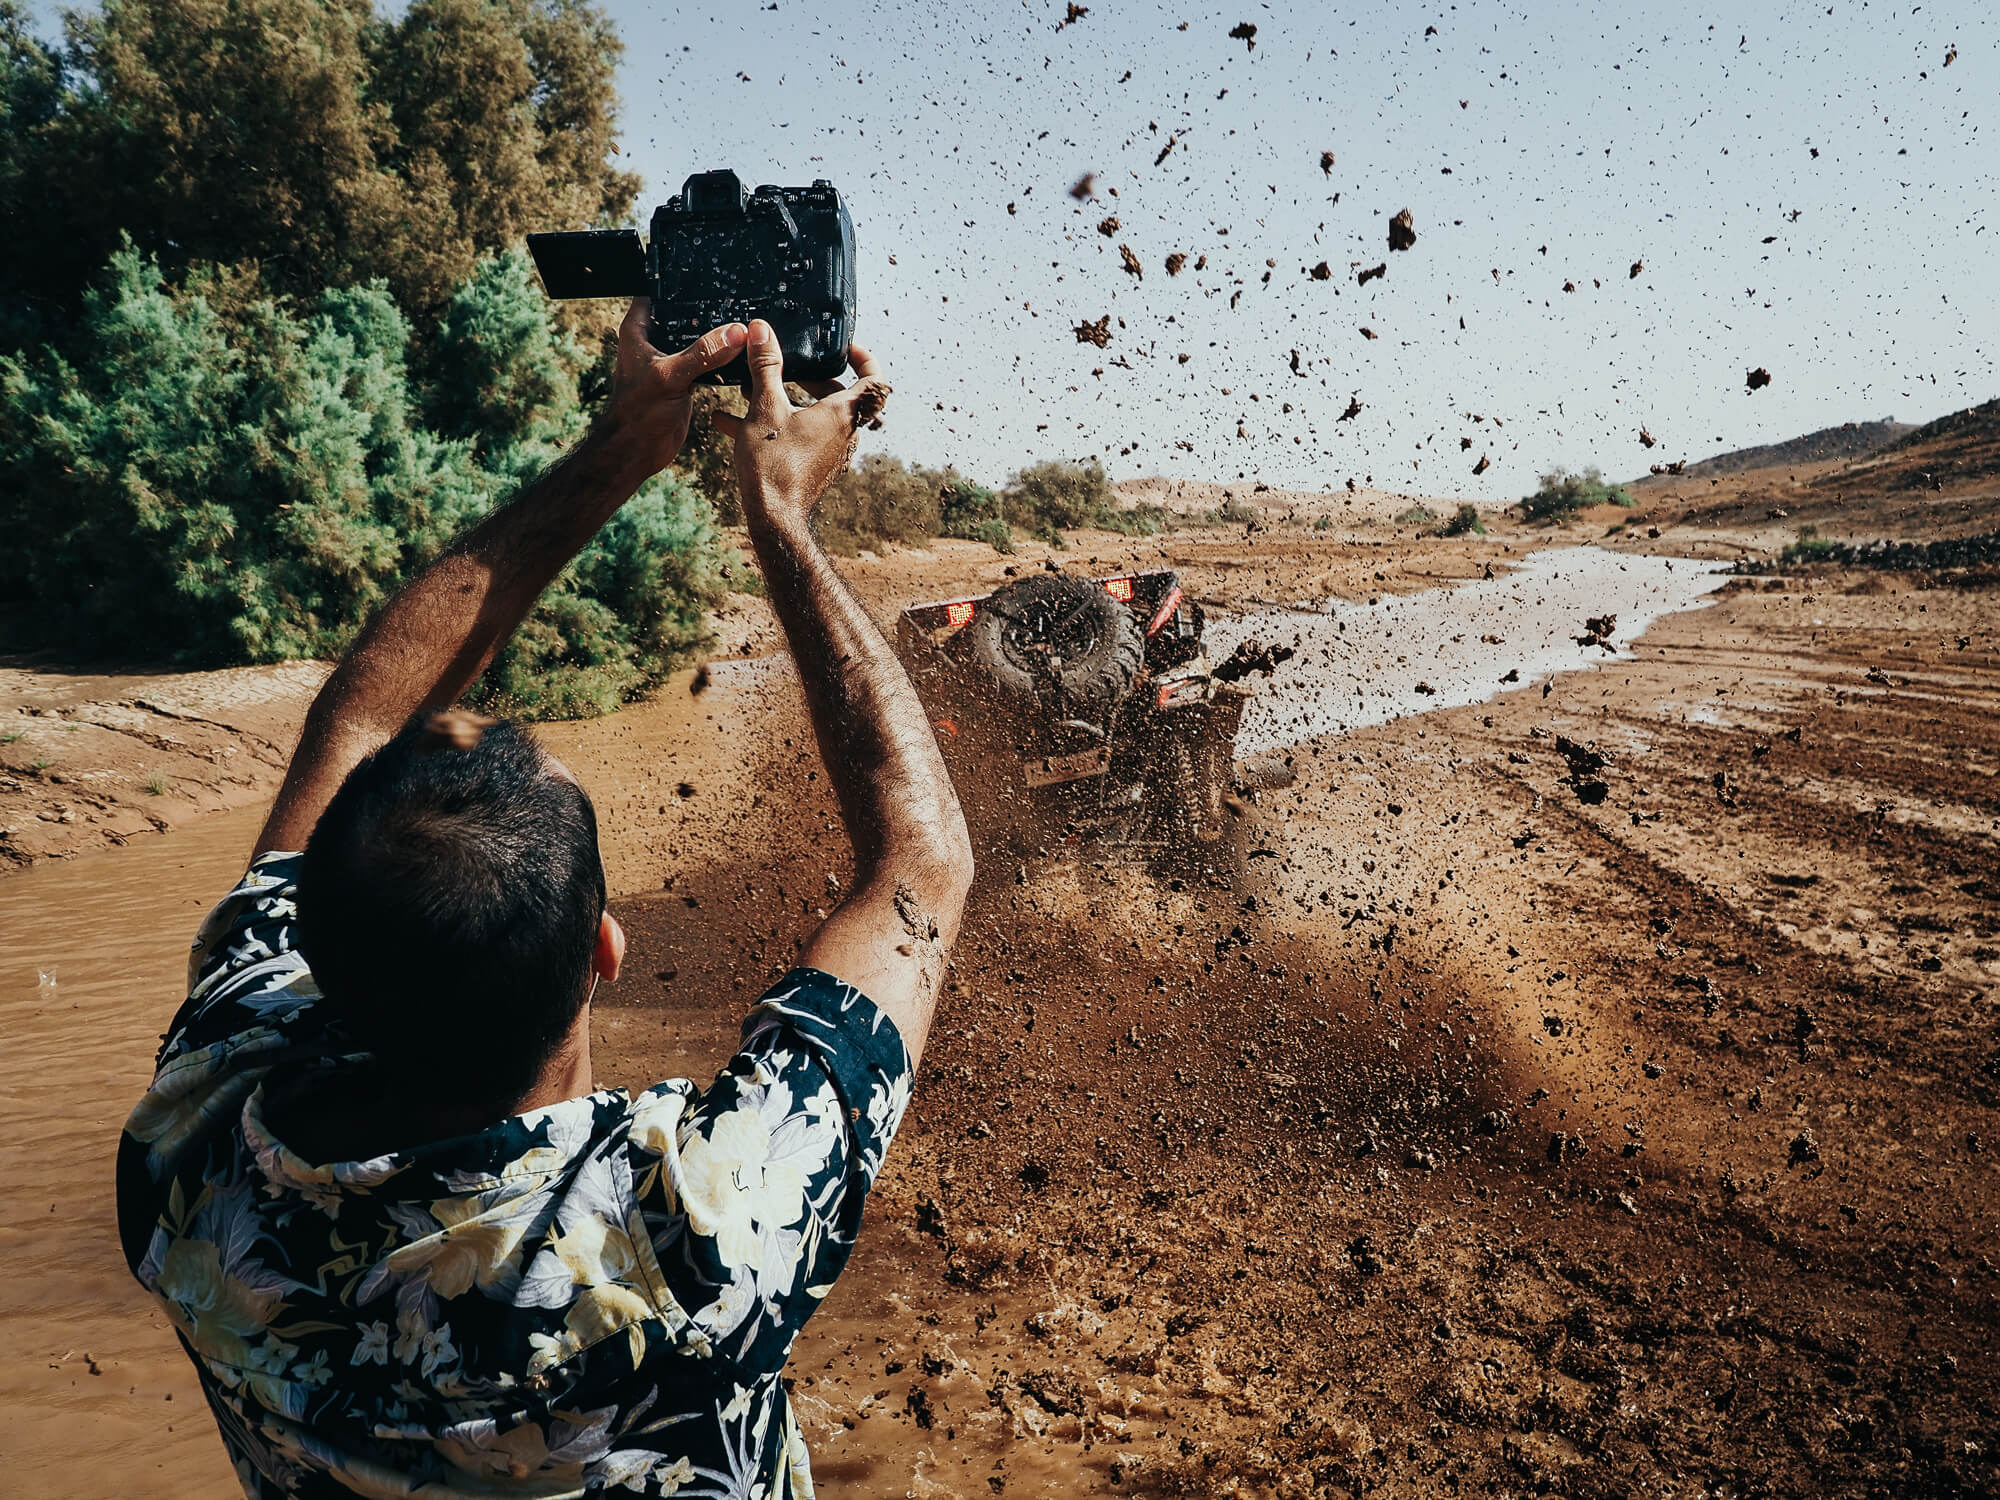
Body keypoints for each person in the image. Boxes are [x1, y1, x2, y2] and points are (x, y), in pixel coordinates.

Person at [115, 307, 974, 1497]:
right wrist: (778, 513)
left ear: (302, 940)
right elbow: (921, 869)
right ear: (605, 952)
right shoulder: (687, 1247)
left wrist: (619, 447)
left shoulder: (199, 1150)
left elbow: (362, 721)